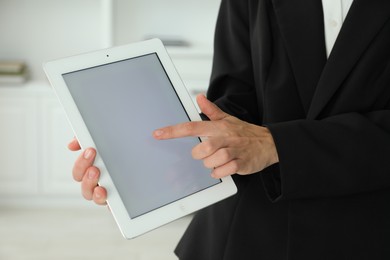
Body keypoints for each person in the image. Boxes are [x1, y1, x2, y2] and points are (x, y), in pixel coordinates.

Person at [68, 0, 390, 259]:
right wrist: (152, 148)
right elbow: (233, 104)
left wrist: (276, 145)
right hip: (248, 232)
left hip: (368, 232)